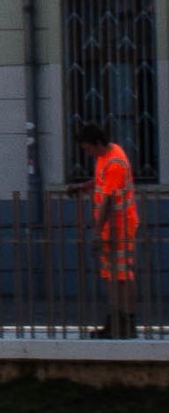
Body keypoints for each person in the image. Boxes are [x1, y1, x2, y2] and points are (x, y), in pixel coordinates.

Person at [84, 114, 140, 340]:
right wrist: (82, 186)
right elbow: (101, 182)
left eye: (89, 148)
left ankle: (126, 322)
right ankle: (116, 321)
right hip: (112, 229)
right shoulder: (106, 156)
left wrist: (96, 232)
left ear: (98, 143)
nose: (88, 153)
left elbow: (107, 199)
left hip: (120, 228)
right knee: (113, 275)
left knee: (122, 275)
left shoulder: (115, 162)